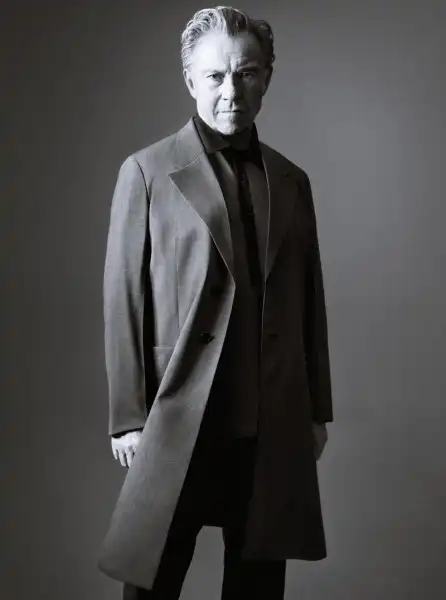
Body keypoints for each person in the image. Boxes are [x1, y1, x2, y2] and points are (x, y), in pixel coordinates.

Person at [97, 6, 333, 600]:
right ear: (190, 80)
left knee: (258, 585)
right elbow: (123, 298)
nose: (232, 91)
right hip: (178, 414)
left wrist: (315, 410)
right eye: (216, 76)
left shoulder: (292, 180)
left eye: (247, 73)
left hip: (268, 420)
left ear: (266, 77)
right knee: (151, 583)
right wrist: (128, 415)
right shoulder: (146, 172)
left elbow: (310, 299)